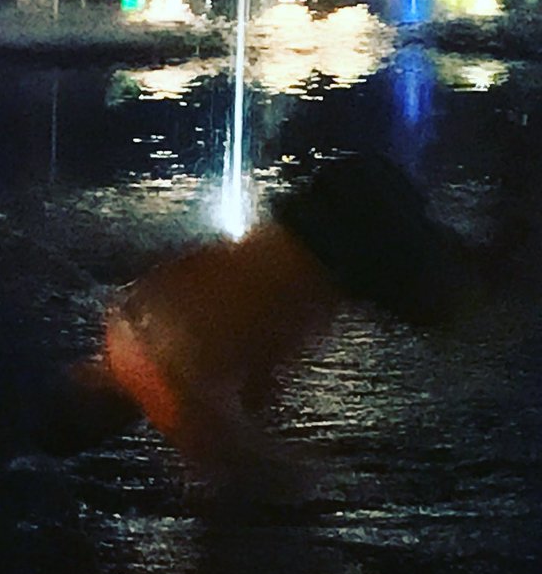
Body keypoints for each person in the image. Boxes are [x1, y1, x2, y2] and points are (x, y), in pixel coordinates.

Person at [46, 155, 498, 490]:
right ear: (78, 373)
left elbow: (275, 478)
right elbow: (236, 311)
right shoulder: (128, 312)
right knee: (487, 284)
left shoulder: (173, 397)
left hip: (349, 245)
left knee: (488, 314)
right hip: (336, 198)